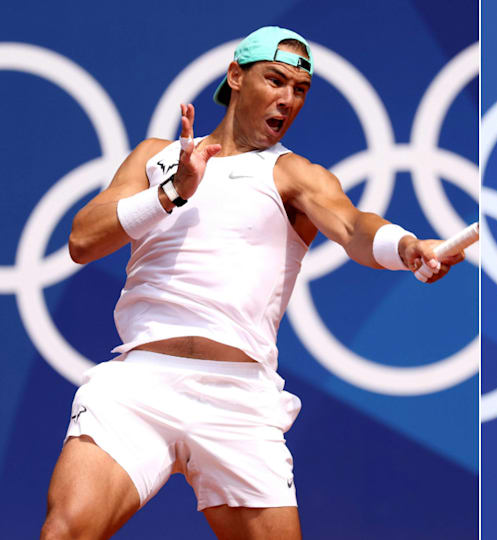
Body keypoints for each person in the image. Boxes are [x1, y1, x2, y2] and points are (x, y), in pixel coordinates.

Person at [39, 26, 465, 540]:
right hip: (138, 384)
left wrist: (406, 247)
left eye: (301, 89)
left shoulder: (293, 175)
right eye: (276, 80)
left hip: (239, 400)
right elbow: (82, 240)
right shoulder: (156, 158)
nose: (288, 99)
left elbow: (353, 227)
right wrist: (172, 191)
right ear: (236, 76)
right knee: (66, 532)